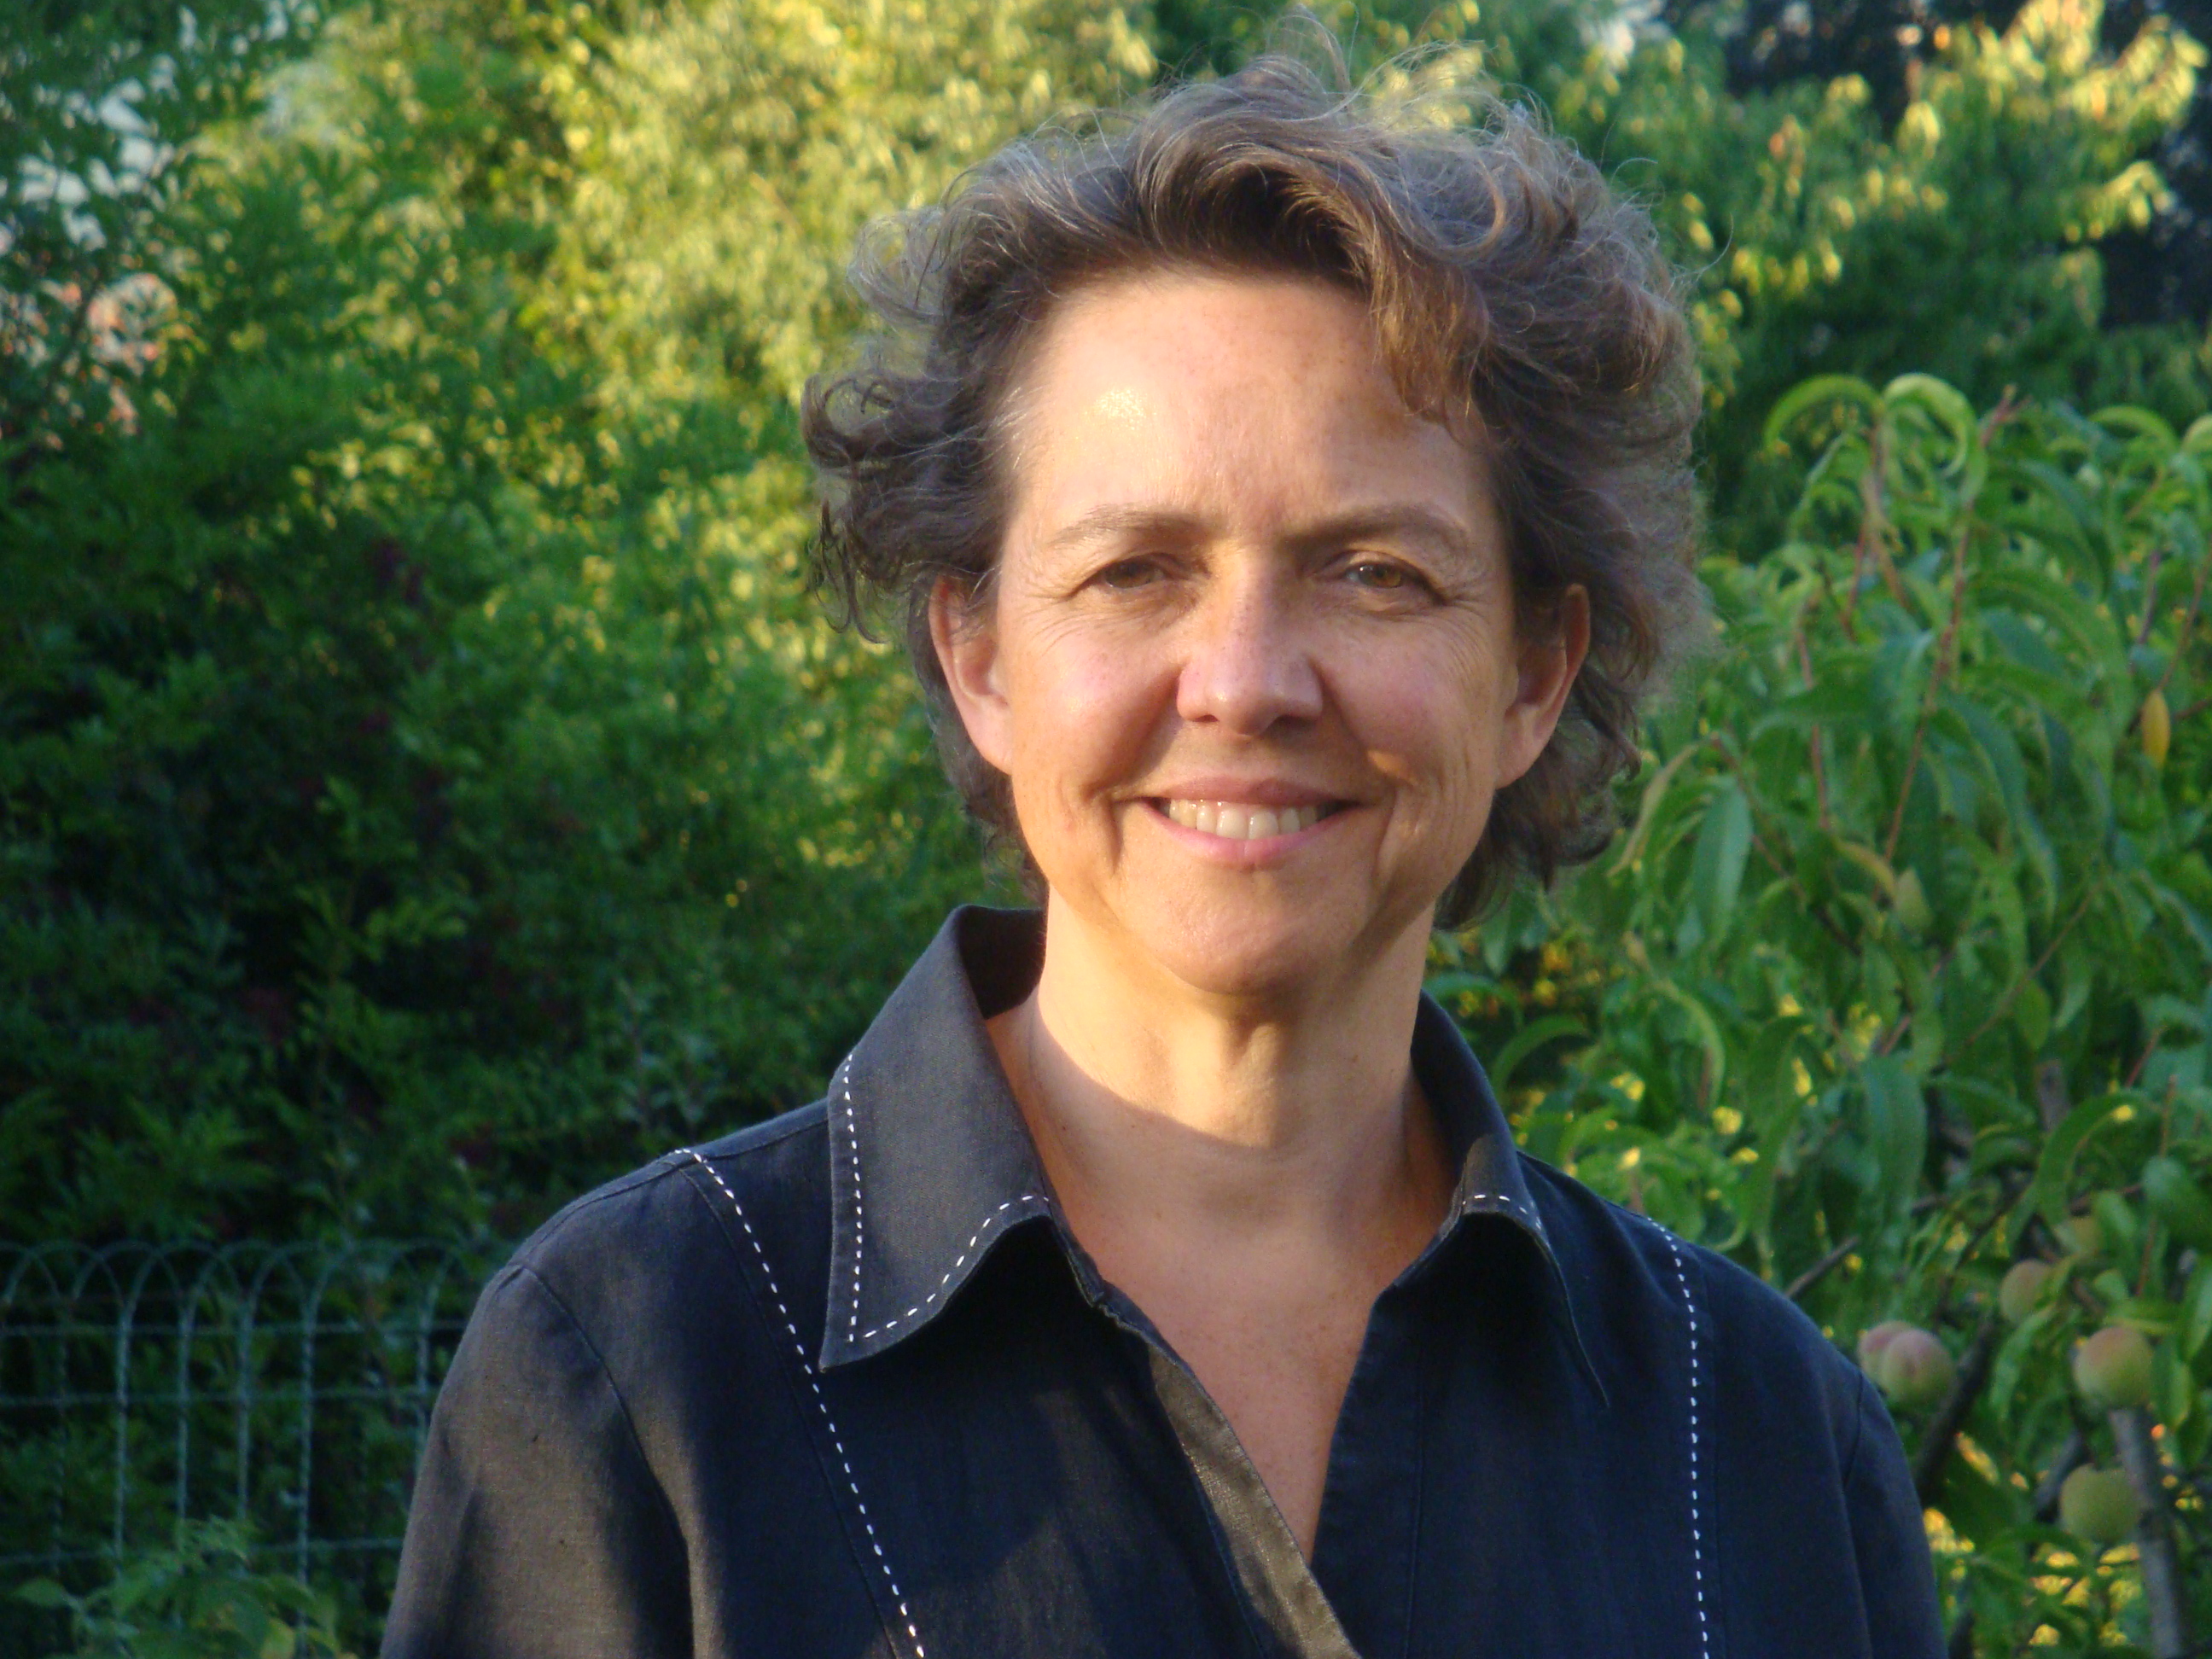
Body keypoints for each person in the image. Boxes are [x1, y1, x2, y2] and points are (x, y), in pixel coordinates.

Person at [383, 44, 1946, 1659]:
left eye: (1376, 573)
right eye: (1135, 570)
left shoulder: (1768, 1451)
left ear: (1535, 675)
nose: (1247, 683)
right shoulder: (636, 1375)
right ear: (980, 657)